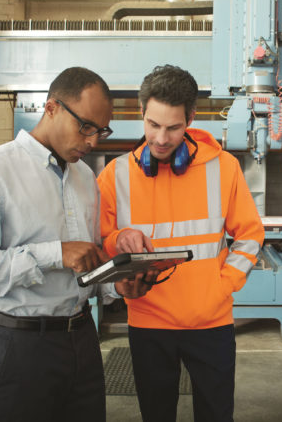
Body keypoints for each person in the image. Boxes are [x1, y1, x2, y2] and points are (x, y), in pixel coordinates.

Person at [0, 66, 155, 422]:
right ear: (51, 107)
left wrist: (116, 286)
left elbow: (84, 267)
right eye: (85, 126)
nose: (92, 142)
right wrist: (53, 254)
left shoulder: (85, 178)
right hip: (20, 348)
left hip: (83, 341)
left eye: (101, 131)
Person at [97, 65, 265, 422]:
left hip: (211, 321)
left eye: (173, 127)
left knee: (216, 414)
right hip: (148, 321)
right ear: (141, 114)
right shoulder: (116, 175)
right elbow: (101, 241)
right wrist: (117, 239)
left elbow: (249, 235)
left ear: (190, 118)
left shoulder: (224, 167)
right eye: (153, 125)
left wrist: (222, 287)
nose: (160, 138)